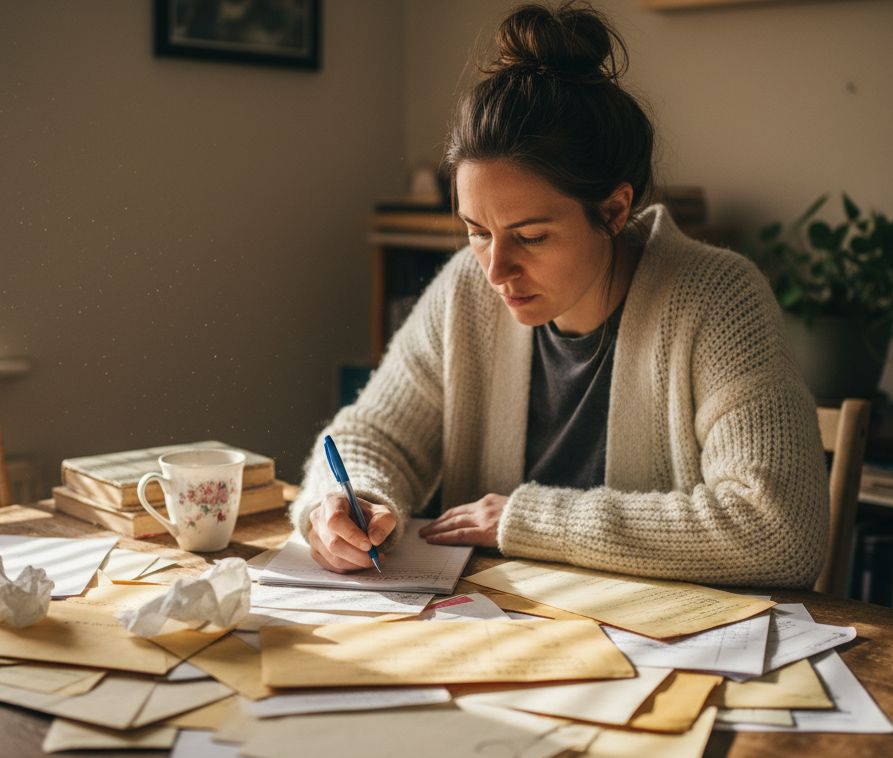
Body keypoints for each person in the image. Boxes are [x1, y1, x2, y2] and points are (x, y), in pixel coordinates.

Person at [288, 1, 828, 588]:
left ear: (615, 210)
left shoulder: (718, 299)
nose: (496, 270)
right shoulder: (466, 292)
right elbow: (373, 435)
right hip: (496, 635)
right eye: (477, 232)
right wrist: (344, 503)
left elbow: (779, 532)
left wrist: (525, 521)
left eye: (532, 236)